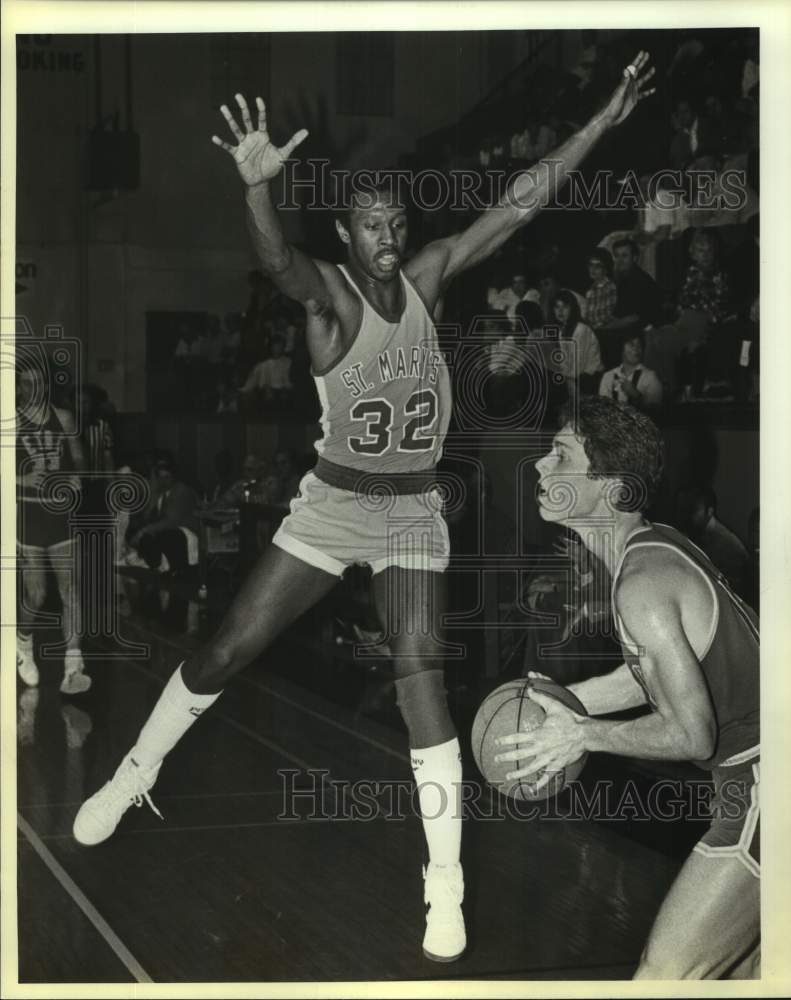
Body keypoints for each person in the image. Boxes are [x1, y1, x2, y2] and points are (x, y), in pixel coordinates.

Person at [73, 54, 656, 963]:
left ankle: (444, 884)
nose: (389, 233)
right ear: (346, 236)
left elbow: (518, 205)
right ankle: (133, 773)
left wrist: (600, 124)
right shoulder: (329, 302)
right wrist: (259, 190)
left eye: (397, 220)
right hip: (332, 506)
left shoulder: (425, 280)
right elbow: (274, 260)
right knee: (225, 647)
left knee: (421, 676)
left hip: (415, 512)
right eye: (372, 223)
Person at [495, 398, 759, 979]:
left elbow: (692, 734)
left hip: (769, 786)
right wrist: (571, 702)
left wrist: (581, 735)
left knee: (663, 979)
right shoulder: (653, 547)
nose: (539, 466)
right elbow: (655, 672)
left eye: (559, 455)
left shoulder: (641, 581)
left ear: (612, 488)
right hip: (758, 778)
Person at [16, 356, 92, 694]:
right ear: (18, 387)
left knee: (70, 589)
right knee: (37, 592)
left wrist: (75, 476)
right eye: (28, 384)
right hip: (28, 515)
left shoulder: (62, 417)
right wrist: (24, 477)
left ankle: (73, 667)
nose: (34, 390)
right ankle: (22, 643)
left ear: (48, 385)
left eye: (40, 383)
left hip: (59, 514)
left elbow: (79, 459)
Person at [550, 289, 603, 395]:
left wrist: (564, 378)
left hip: (589, 378)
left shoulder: (581, 329)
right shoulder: (562, 330)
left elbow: (578, 366)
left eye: (564, 307)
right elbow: (564, 363)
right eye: (557, 307)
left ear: (572, 308)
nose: (560, 311)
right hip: (573, 376)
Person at [598, 334, 663, 410]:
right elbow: (602, 409)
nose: (636, 348)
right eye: (631, 344)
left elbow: (656, 412)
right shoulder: (608, 376)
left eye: (639, 345)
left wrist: (637, 396)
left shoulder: (651, 377)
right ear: (621, 348)